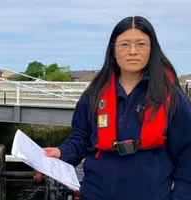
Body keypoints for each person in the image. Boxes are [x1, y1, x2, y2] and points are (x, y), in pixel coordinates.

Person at [44, 16, 191, 200]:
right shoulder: (95, 94)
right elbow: (82, 137)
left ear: (152, 49)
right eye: (124, 45)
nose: (132, 51)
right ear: (113, 50)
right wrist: (62, 152)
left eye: (141, 44)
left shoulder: (171, 98)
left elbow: (187, 155)